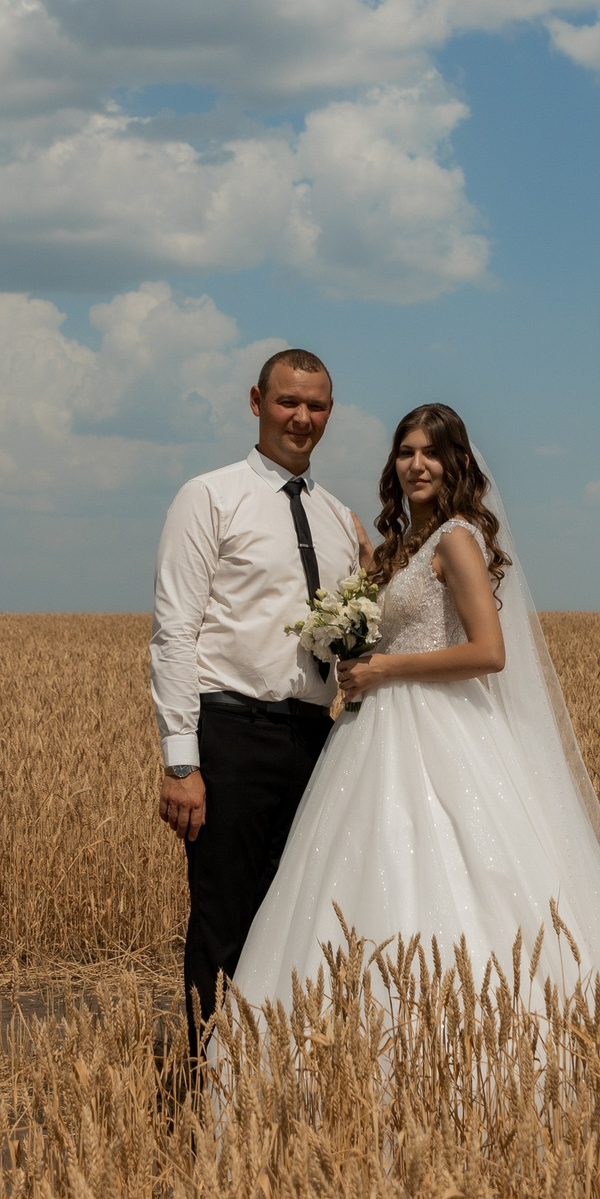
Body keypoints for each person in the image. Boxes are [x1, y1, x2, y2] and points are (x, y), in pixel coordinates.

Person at [228, 402, 600, 1019]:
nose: (416, 465)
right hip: (375, 728)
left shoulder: (456, 539)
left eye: (431, 452)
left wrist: (383, 669)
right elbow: (385, 622)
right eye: (405, 452)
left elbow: (489, 651)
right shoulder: (403, 547)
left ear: (458, 463)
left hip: (440, 726)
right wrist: (365, 578)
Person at [150, 348, 372, 1076]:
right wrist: (182, 760)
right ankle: (193, 1095)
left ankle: (269, 1087)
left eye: (316, 406)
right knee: (223, 925)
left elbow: (354, 639)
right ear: (256, 402)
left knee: (301, 920)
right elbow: (175, 630)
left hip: (316, 737)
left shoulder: (341, 521)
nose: (301, 418)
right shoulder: (208, 497)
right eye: (287, 402)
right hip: (233, 732)